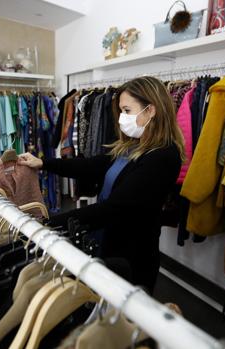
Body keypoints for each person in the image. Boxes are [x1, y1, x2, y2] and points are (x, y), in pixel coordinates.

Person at [18, 76, 185, 292]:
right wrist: (43, 163)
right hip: (108, 242)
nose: (121, 119)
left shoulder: (163, 156)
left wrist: (48, 224)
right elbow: (93, 166)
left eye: (127, 110)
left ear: (151, 110)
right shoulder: (134, 146)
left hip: (132, 256)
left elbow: (116, 208)